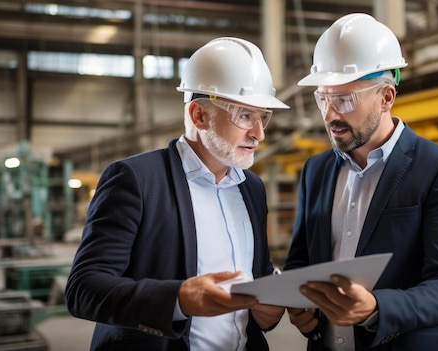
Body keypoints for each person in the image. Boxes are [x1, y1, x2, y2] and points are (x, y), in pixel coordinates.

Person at [65, 37, 289, 350]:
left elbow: (259, 277)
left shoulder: (251, 188)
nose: (259, 134)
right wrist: (179, 299)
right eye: (244, 115)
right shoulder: (137, 180)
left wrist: (270, 309)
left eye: (263, 116)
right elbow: (83, 289)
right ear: (199, 115)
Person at [284, 13, 438, 351]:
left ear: (386, 97)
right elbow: (301, 260)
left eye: (344, 100)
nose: (329, 115)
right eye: (323, 99)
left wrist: (376, 308)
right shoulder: (315, 170)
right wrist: (300, 302)